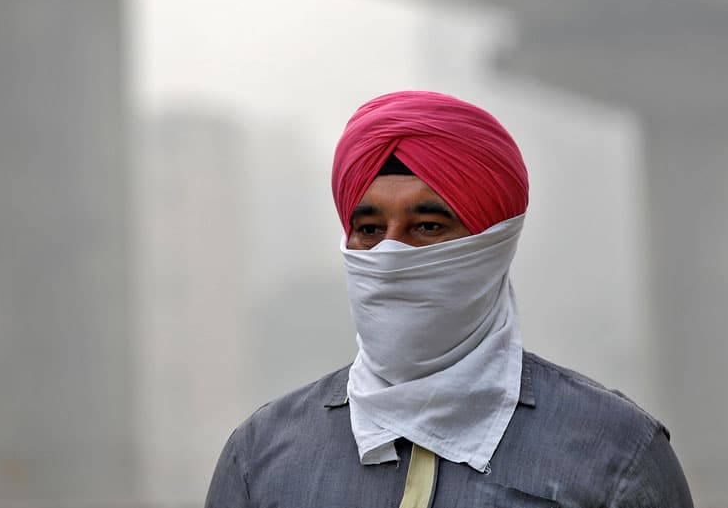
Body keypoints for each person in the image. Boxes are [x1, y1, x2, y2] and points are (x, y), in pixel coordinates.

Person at [205, 91, 693, 507]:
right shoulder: (263, 456)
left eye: (427, 227)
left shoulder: (614, 454)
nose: (392, 253)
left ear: (492, 245)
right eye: (370, 229)